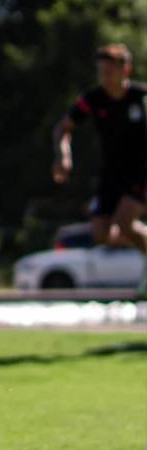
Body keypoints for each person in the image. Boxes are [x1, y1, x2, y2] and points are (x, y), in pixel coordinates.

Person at [53, 43, 147, 292]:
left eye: (109, 72)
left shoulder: (141, 98)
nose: (104, 78)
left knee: (124, 223)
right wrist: (63, 155)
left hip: (140, 172)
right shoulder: (93, 100)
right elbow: (63, 128)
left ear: (125, 70)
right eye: (101, 72)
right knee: (101, 234)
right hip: (110, 174)